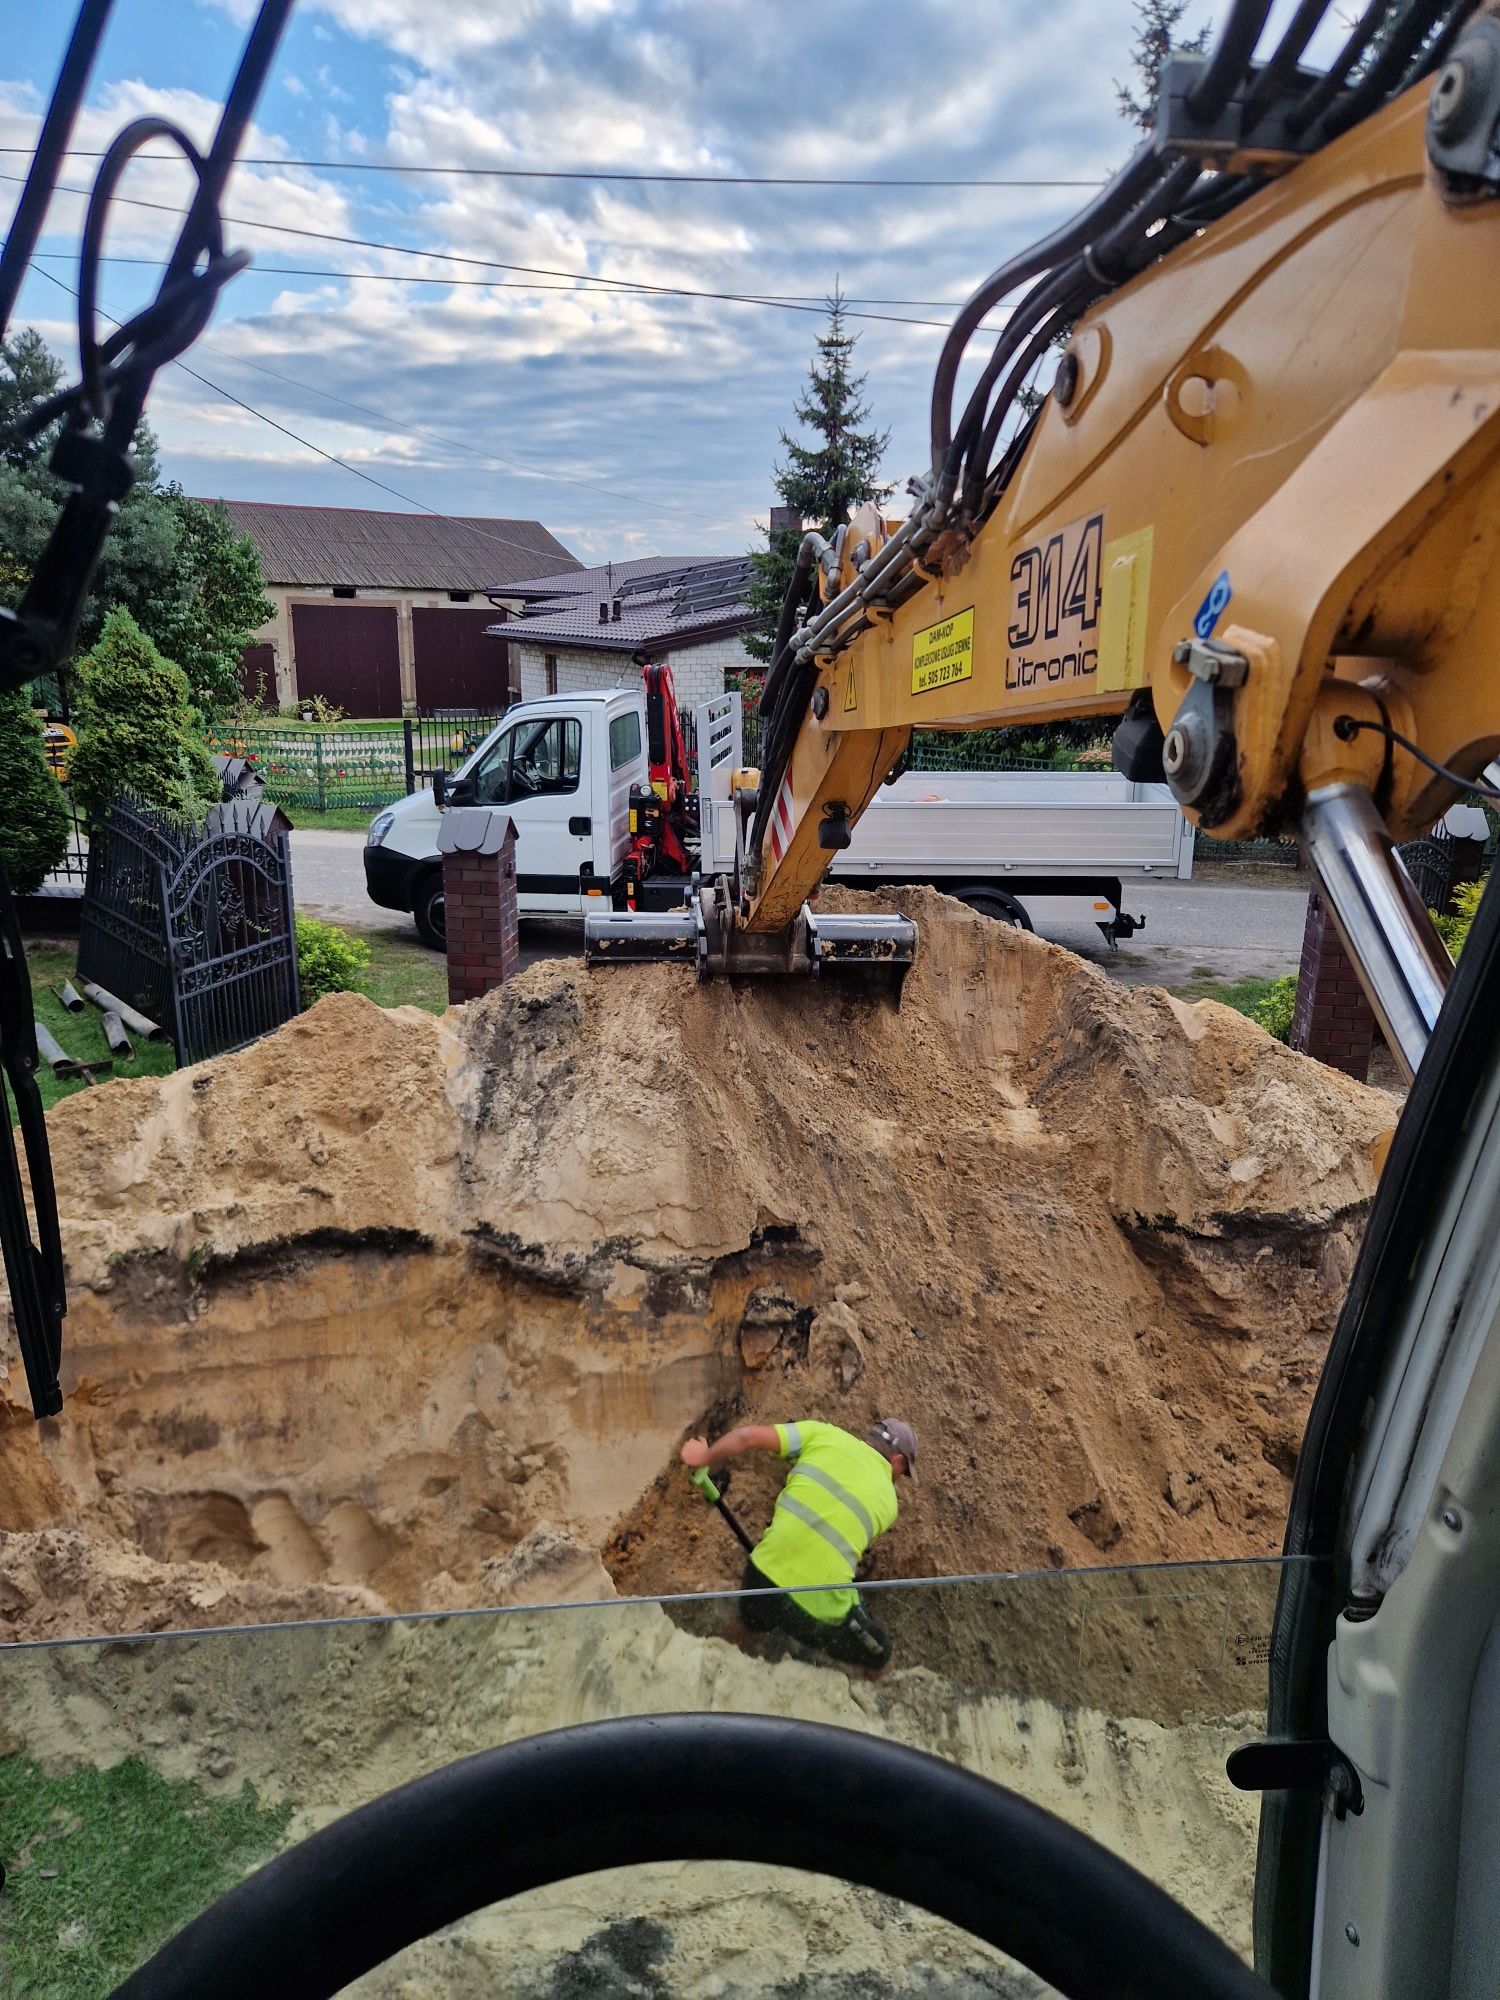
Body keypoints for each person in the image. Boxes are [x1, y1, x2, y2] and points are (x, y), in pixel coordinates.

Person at [679, 1417, 918, 1670]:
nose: (897, 1479)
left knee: (749, 1620)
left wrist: (702, 1458)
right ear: (898, 1461)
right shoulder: (890, 1503)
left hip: (761, 1581)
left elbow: (747, 1436)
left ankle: (712, 1666)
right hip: (813, 1614)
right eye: (902, 1474)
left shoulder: (822, 1434)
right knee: (878, 1651)